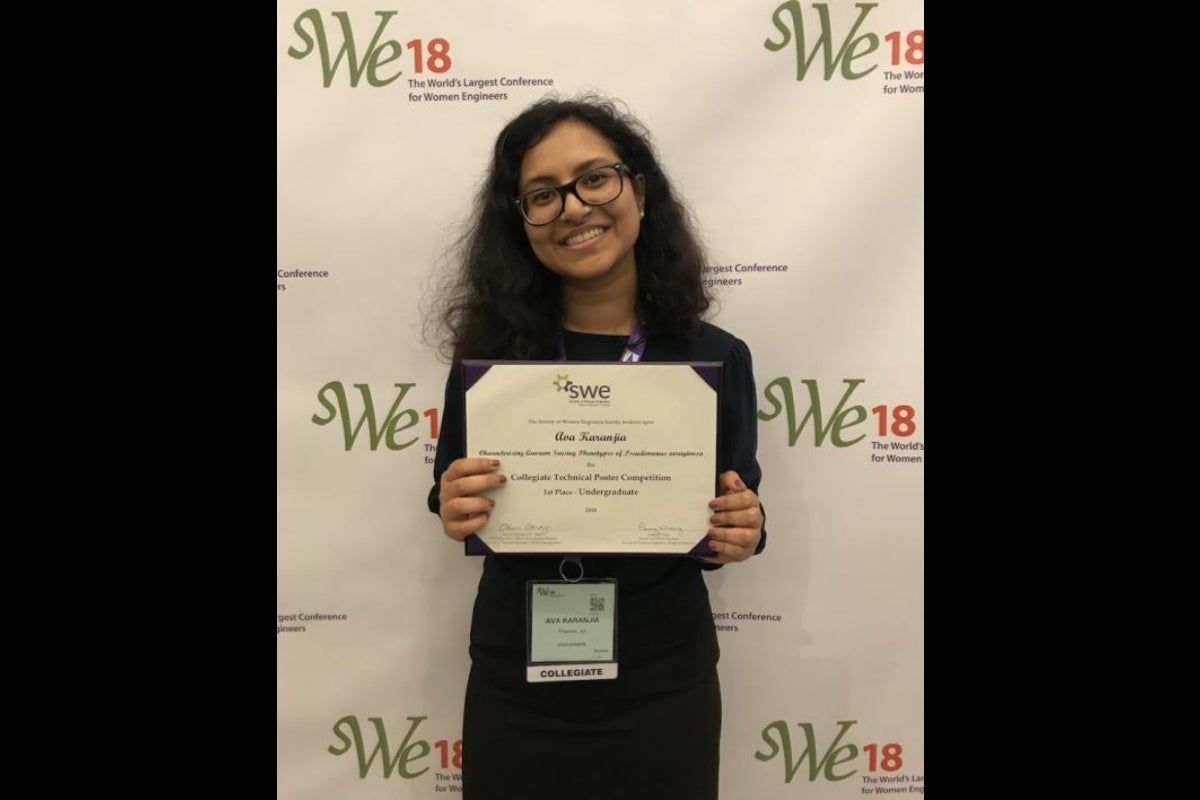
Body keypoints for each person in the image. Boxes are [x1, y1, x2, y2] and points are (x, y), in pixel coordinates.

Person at [427, 93, 766, 800]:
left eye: (595, 178)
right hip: (518, 677)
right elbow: (449, 492)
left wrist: (742, 529)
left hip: (661, 678)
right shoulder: (490, 361)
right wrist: (454, 504)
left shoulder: (713, 357)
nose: (575, 207)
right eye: (542, 195)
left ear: (638, 191)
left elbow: (735, 509)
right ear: (519, 225)